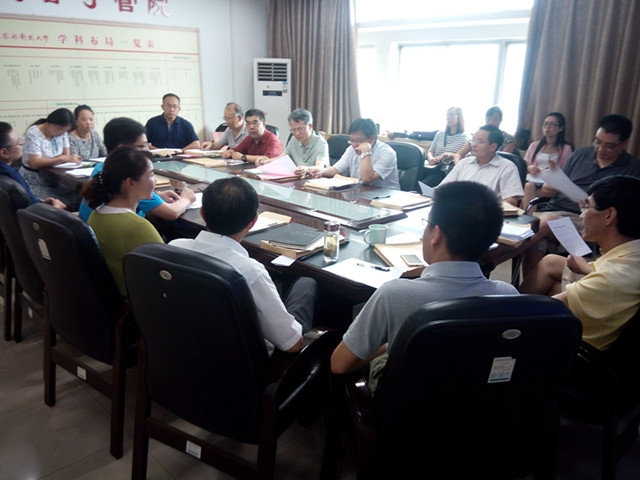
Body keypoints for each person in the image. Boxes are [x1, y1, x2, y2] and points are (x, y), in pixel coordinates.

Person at [330, 181, 519, 391]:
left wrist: (389, 345)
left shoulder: (394, 294)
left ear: (436, 234)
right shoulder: (509, 296)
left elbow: (339, 364)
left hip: (405, 405)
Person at [169, 176, 317, 355]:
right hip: (245, 365)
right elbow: (292, 344)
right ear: (252, 222)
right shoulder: (249, 272)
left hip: (184, 352)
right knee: (306, 284)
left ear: (202, 213)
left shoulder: (174, 248)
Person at [519, 175, 640, 351]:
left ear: (608, 215)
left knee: (512, 315)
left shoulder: (608, 279)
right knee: (552, 266)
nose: (582, 215)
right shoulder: (631, 254)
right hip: (592, 325)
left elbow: (535, 313)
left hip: (572, 352)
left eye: (587, 207)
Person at [522, 114, 640, 275]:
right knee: (538, 241)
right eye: (597, 142)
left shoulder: (632, 169)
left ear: (624, 143)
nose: (601, 149)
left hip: (588, 221)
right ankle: (527, 289)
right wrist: (553, 182)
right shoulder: (580, 155)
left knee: (542, 225)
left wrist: (590, 206)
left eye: (609, 146)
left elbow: (628, 211)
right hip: (556, 210)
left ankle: (497, 256)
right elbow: (552, 187)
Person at [81, 146, 164, 296]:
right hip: (139, 301)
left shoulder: (97, 213)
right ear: (130, 183)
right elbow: (168, 272)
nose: (155, 180)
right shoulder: (137, 227)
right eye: (151, 174)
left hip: (113, 296)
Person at [78, 117, 196, 222]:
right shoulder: (130, 176)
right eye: (142, 146)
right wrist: (186, 199)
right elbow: (171, 213)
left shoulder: (104, 167)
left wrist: (157, 196)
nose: (148, 151)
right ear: (123, 148)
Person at [439, 124, 524, 206]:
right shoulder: (463, 163)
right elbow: (442, 188)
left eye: (479, 141)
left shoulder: (507, 167)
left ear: (493, 147)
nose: (473, 145)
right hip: (457, 210)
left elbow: (511, 201)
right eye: (473, 140)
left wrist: (484, 208)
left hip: (487, 213)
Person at [308, 118, 400, 189]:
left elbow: (367, 179)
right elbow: (336, 169)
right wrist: (321, 171)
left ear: (372, 139)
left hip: (385, 198)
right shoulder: (351, 149)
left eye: (359, 140)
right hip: (360, 193)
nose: (354, 145)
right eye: (352, 140)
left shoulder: (387, 153)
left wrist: (366, 152)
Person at [20, 108, 83, 210]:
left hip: (55, 178)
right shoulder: (34, 133)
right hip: (35, 180)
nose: (63, 133)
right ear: (51, 123)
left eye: (66, 131)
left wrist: (51, 159)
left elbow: (66, 154)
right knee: (62, 202)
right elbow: (35, 163)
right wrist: (61, 158)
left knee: (81, 196)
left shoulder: (62, 132)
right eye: (61, 130)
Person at [0, 121, 66, 209]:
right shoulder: (12, 176)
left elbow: (27, 201)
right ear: (4, 153)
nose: (22, 144)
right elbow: (31, 211)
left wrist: (41, 202)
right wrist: (56, 209)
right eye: (18, 142)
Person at [521, 112, 574, 208]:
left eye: (552, 124)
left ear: (560, 128)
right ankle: (529, 216)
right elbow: (523, 165)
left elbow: (568, 172)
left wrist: (556, 169)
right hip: (533, 179)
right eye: (545, 124)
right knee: (528, 186)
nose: (547, 127)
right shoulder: (534, 145)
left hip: (550, 184)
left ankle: (527, 215)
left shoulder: (566, 148)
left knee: (528, 189)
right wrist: (530, 168)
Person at [421, 106, 471, 187]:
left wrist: (445, 155)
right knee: (416, 179)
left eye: (451, 115)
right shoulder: (440, 134)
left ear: (459, 117)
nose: (448, 118)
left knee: (425, 184)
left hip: (447, 170)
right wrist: (431, 159)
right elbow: (431, 150)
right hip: (433, 166)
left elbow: (462, 156)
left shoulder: (465, 137)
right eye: (447, 115)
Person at [273, 108, 329, 172]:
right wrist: (266, 162)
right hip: (297, 176)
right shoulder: (293, 140)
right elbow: (281, 158)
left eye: (300, 129)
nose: (297, 133)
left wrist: (305, 169)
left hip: (315, 177)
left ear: (310, 126)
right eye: (293, 130)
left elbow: (319, 167)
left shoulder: (321, 143)